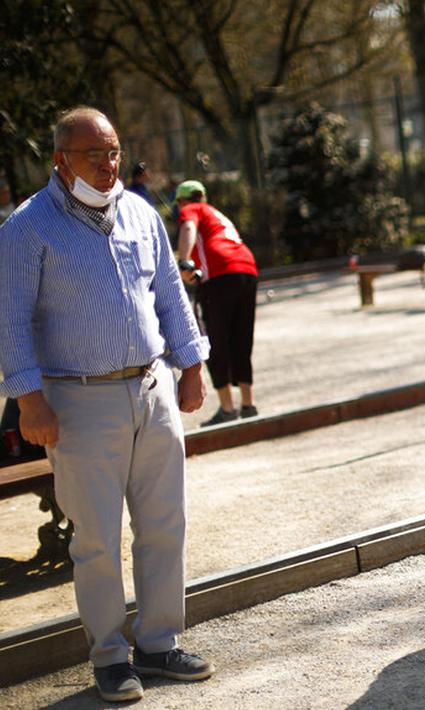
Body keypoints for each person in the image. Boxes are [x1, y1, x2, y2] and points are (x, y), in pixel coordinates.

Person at [0, 107, 214, 702]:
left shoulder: (141, 212)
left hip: (153, 387)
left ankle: (159, 641)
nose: (107, 162)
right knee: (95, 537)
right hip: (77, 399)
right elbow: (9, 318)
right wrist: (27, 399)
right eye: (93, 153)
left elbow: (169, 293)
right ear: (61, 161)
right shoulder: (27, 227)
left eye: (113, 149)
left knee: (165, 523)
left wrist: (191, 364)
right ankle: (110, 657)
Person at [174, 180, 260, 425]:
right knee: (242, 336)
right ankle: (248, 403)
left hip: (219, 274)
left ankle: (227, 408)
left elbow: (188, 228)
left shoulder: (191, 209)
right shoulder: (217, 213)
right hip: (247, 268)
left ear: (183, 201)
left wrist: (184, 261)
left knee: (214, 339)